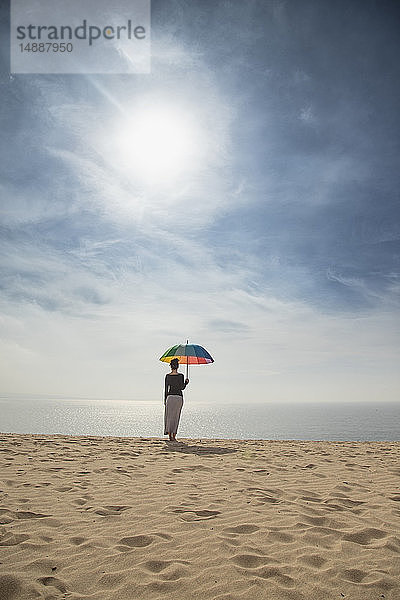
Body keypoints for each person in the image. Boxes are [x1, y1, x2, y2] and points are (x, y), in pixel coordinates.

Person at [164, 358, 189, 441]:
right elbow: (182, 388)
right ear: (177, 366)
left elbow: (166, 389)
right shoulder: (180, 376)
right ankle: (174, 435)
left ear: (170, 366)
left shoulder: (167, 376)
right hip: (178, 397)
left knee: (169, 417)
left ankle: (170, 435)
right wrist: (186, 383)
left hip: (170, 397)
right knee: (176, 416)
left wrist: (165, 400)